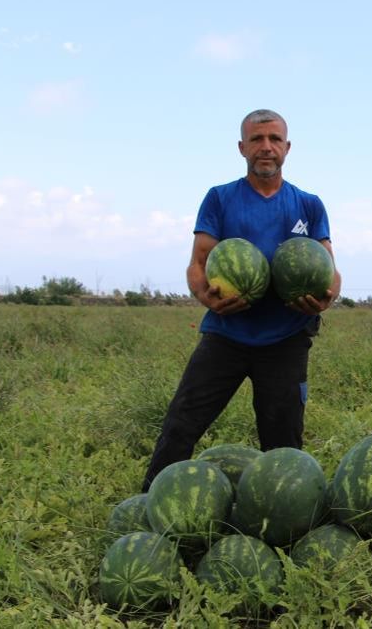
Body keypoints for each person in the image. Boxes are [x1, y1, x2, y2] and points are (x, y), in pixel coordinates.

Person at [142, 109, 341, 492]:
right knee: (182, 423)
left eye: (274, 139)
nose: (266, 147)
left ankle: (283, 518)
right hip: (226, 333)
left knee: (282, 441)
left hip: (286, 337)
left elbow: (329, 268)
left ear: (287, 147)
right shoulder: (220, 199)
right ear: (241, 147)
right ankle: (150, 501)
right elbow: (199, 263)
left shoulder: (309, 205)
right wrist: (207, 297)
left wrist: (326, 298)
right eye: (257, 140)